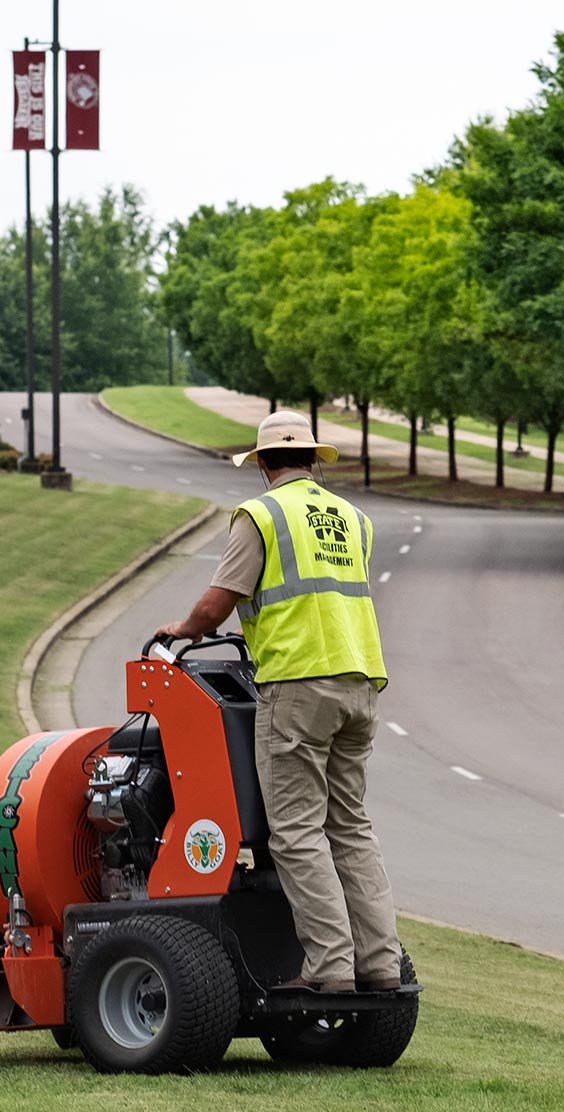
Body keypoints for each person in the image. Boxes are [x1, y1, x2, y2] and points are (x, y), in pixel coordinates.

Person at [156, 409, 401, 993]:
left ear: (262, 462)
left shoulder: (261, 515)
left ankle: (330, 968)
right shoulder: (353, 518)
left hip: (297, 684)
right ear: (314, 460)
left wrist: (185, 628)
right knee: (351, 826)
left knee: (295, 830)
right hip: (361, 681)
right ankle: (381, 964)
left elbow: (219, 603)